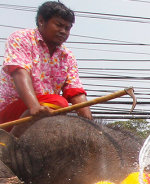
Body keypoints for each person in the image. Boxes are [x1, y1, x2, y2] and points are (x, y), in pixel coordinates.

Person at [0, 1, 92, 136]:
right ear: (41, 21)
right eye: (59, 25)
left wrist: (91, 126)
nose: (63, 31)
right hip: (13, 111)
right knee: (59, 102)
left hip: (46, 113)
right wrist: (34, 107)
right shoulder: (21, 38)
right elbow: (20, 72)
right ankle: (8, 143)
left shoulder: (67, 56)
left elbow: (75, 92)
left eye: (67, 28)